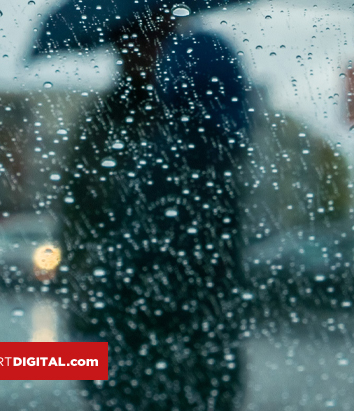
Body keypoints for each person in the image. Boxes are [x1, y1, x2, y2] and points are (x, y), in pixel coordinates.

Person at [60, 28, 251, 410]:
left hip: (163, 342)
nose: (156, 48)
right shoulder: (145, 137)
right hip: (150, 342)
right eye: (147, 37)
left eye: (164, 37)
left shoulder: (199, 144)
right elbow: (87, 224)